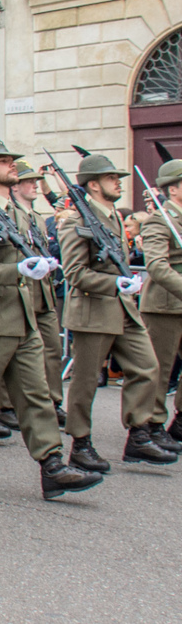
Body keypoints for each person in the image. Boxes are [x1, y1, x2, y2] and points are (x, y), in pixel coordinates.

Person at [0, 134, 103, 500]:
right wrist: (19, 269)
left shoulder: (18, 212)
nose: (12, 164)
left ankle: (52, 465)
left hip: (23, 318)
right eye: (3, 161)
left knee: (35, 396)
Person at [57, 152, 177, 471]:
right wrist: (116, 284)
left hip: (124, 309)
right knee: (85, 382)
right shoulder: (75, 222)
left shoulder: (114, 217)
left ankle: (138, 435)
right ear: (93, 185)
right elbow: (75, 273)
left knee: (148, 367)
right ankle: (80, 444)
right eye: (112, 178)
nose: (118, 182)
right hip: (94, 311)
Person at [10, 160, 68, 426]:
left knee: (52, 349)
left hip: (43, 293)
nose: (34, 185)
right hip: (21, 291)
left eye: (35, 180)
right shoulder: (10, 214)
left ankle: (53, 400)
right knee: (12, 352)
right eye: (28, 180)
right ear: (15, 185)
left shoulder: (38, 219)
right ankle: (7, 406)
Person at [138, 158, 182, 450]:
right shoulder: (159, 219)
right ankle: (152, 425)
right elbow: (156, 265)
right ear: (175, 189)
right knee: (160, 370)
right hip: (165, 305)